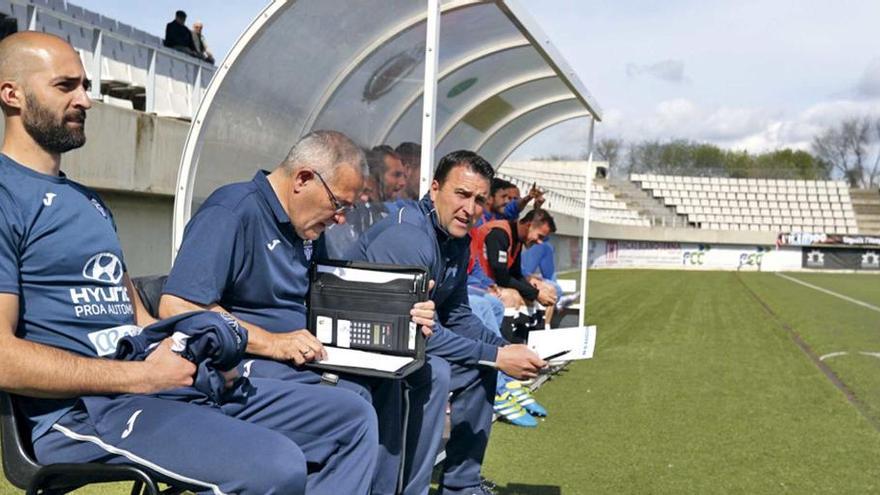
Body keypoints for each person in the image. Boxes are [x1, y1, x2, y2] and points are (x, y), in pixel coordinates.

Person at [0, 32, 378, 494]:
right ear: (11, 93)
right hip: (84, 411)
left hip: (154, 383)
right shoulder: (6, 196)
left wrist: (188, 354)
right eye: (65, 86)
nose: (86, 99)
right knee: (274, 466)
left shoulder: (88, 202)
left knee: (351, 416)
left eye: (85, 85)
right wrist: (141, 376)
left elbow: (134, 314)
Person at [159, 130, 436, 495]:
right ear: (303, 179)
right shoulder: (232, 211)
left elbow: (328, 294)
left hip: (299, 358)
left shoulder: (304, 227)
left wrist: (403, 308)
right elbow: (178, 305)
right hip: (239, 367)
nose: (341, 219)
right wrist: (273, 343)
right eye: (339, 204)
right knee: (353, 411)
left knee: (391, 380)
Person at [350, 150, 547, 495]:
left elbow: (456, 315)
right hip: (366, 349)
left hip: (405, 344)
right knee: (437, 372)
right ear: (435, 188)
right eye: (462, 194)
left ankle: (461, 485)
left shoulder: (455, 239)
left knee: (480, 366)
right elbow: (413, 333)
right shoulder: (408, 235)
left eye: (480, 200)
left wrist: (504, 348)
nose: (470, 209)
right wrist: (498, 356)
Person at [470, 208, 559, 310]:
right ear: (528, 225)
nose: (540, 242)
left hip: (491, 283)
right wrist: (535, 294)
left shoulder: (517, 240)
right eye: (540, 236)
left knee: (547, 290)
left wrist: (535, 291)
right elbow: (502, 278)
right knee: (512, 297)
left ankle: (542, 325)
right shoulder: (500, 233)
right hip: (478, 282)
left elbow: (515, 274)